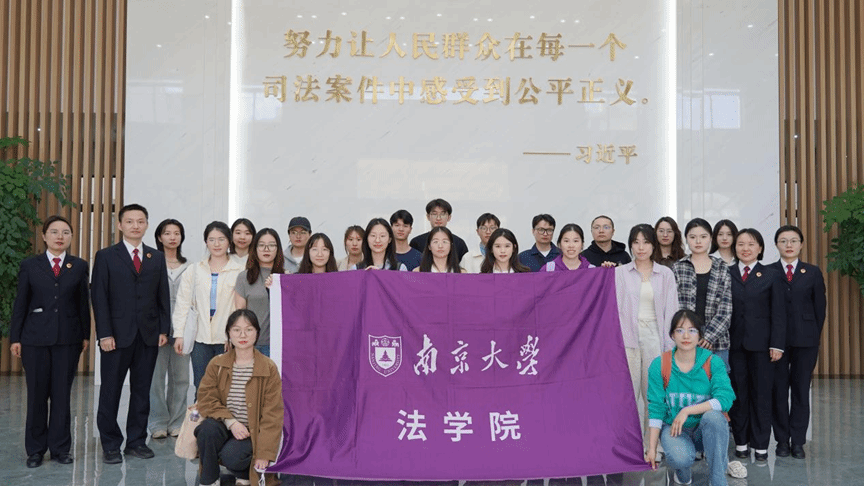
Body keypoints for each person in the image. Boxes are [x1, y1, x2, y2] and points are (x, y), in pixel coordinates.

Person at [91, 204, 170, 464]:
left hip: (148, 336)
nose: (135, 226)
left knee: (141, 391)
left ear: (146, 224)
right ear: (120, 225)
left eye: (140, 221)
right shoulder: (106, 256)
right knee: (110, 392)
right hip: (115, 337)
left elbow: (162, 296)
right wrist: (104, 334)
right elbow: (99, 297)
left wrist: (163, 329)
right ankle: (110, 444)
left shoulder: (155, 257)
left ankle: (136, 441)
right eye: (130, 221)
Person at [10, 215, 90, 468]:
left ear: (71, 237)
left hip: (68, 339)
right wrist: (15, 337)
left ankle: (60, 449)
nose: (60, 236)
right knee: (36, 396)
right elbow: (21, 302)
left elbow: (83, 302)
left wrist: (85, 335)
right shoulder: (30, 265)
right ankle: (35, 450)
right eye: (54, 232)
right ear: (44, 236)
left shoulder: (79, 266)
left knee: (61, 396)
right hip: (34, 339)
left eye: (65, 232)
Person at [645, 310, 736, 486]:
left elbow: (725, 399)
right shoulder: (660, 364)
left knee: (714, 418)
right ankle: (683, 473)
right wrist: (652, 448)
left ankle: (717, 479)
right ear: (672, 335)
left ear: (700, 335)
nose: (686, 336)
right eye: (680, 330)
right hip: (675, 430)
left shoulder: (713, 362)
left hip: (705, 430)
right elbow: (656, 409)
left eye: (692, 330)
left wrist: (687, 410)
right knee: (681, 458)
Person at [195, 309, 283, 486]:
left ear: (257, 333)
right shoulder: (217, 364)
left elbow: (272, 415)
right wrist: (231, 422)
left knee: (232, 456)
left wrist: (264, 454)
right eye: (236, 330)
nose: (243, 335)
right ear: (229, 333)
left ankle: (244, 473)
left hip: (251, 433)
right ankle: (209, 480)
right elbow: (205, 398)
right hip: (224, 424)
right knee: (206, 430)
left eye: (249, 329)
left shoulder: (268, 368)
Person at [615, 224, 679, 453]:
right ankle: (628, 445)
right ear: (630, 245)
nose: (640, 247)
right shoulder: (620, 273)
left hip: (655, 337)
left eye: (646, 242)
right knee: (628, 396)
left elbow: (671, 311)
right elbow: (614, 309)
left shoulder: (665, 274)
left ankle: (652, 445)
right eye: (636, 242)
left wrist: (670, 347)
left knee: (653, 396)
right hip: (628, 338)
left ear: (654, 245)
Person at [728, 228, 785, 462]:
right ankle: (741, 442)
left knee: (762, 395)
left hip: (763, 347)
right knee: (738, 395)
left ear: (760, 248)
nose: (745, 248)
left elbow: (779, 312)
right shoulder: (727, 272)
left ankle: (761, 445)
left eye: (751, 244)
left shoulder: (771, 275)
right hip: (733, 346)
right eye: (741, 244)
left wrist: (777, 345)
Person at [770, 224, 826, 460]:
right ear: (776, 245)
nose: (789, 245)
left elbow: (820, 309)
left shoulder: (812, 272)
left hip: (806, 341)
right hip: (777, 344)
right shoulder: (769, 272)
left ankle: (798, 442)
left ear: (801, 244)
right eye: (783, 241)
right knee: (779, 391)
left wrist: (813, 335)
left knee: (801, 391)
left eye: (793, 240)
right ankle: (782, 441)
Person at [173, 221, 244, 389]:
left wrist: (234, 335)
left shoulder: (240, 271)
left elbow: (241, 308)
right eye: (212, 240)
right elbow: (183, 303)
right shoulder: (194, 270)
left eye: (221, 239)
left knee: (226, 386)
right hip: (200, 337)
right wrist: (179, 334)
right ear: (206, 242)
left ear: (229, 241)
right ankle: (202, 408)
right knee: (202, 385)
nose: (216, 244)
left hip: (226, 338)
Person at [149, 219, 192, 439]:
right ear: (159, 237)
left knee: (181, 378)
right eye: (167, 233)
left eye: (177, 233)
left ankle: (176, 422)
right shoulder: (151, 263)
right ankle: (157, 422)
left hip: (183, 330)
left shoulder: (190, 266)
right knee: (156, 379)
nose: (172, 237)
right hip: (157, 330)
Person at [672, 218, 733, 370]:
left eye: (703, 237)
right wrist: (690, 334)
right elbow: (674, 306)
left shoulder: (722, 267)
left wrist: (708, 337)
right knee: (688, 381)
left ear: (711, 239)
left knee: (717, 382)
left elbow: (725, 309)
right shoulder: (678, 268)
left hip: (717, 341)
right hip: (685, 339)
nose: (698, 241)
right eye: (693, 237)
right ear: (686, 239)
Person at [233, 229, 285, 357]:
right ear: (255, 249)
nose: (266, 249)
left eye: (271, 245)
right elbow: (240, 313)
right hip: (252, 343)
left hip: (280, 344)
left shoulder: (285, 276)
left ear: (278, 249)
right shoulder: (244, 277)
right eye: (261, 245)